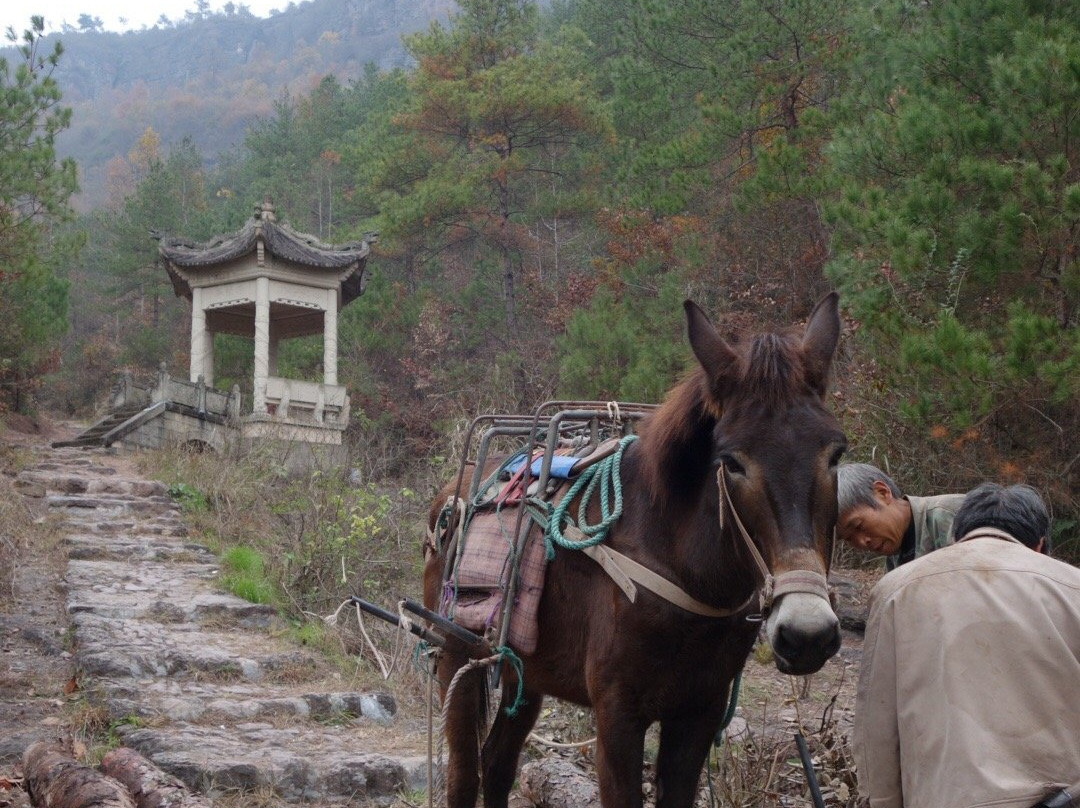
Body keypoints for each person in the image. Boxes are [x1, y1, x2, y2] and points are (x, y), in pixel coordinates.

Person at [854, 483, 1080, 808]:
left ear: (958, 536)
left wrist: (881, 802)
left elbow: (877, 724)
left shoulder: (895, 590)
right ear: (1040, 544)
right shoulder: (1072, 587)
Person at [836, 462, 966, 569]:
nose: (862, 542)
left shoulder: (953, 515)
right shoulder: (894, 559)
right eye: (849, 539)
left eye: (859, 526)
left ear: (882, 493)